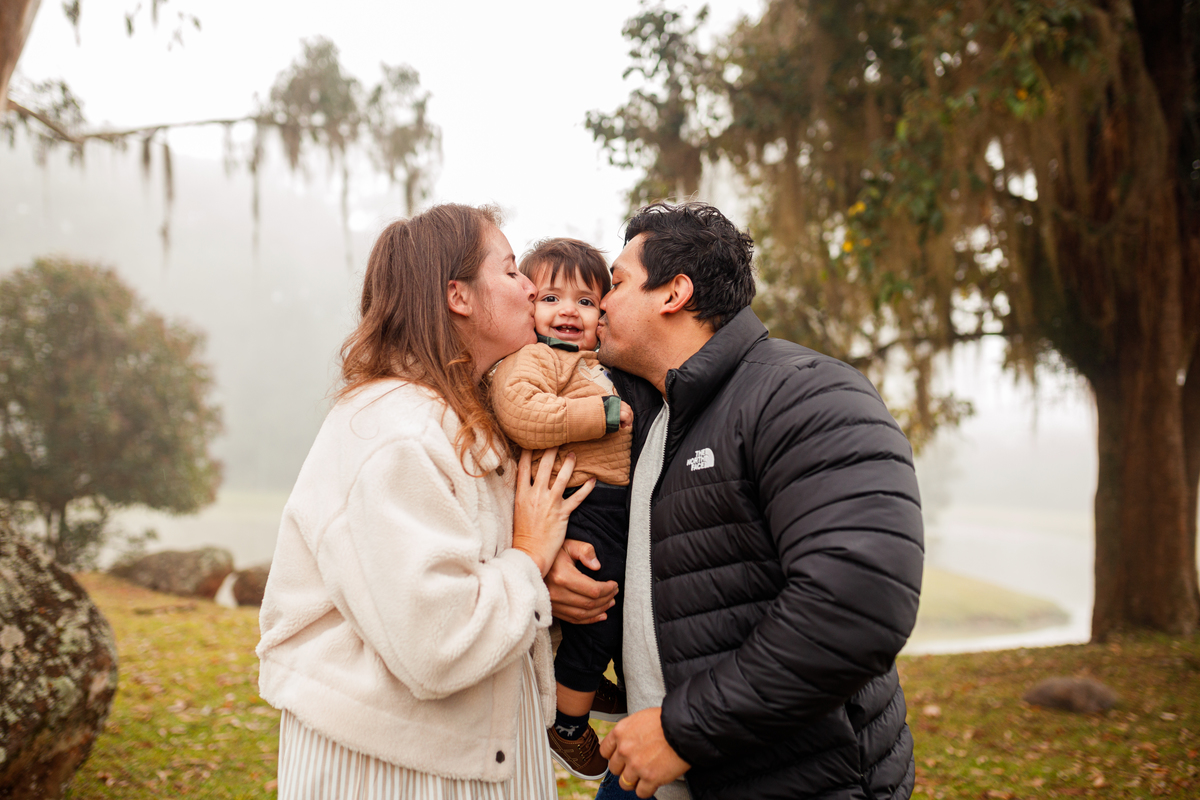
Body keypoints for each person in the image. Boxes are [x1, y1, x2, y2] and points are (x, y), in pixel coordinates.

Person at [547, 202, 924, 800]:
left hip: (790, 780)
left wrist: (684, 730)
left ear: (674, 293)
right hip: (648, 775)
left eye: (615, 283)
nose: (600, 304)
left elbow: (858, 603)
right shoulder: (645, 414)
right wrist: (556, 562)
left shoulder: (806, 393)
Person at [256, 204, 595, 800]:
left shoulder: (459, 418)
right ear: (458, 296)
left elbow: (481, 555)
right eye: (510, 271)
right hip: (392, 775)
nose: (530, 288)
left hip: (452, 761)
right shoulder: (397, 432)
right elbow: (438, 641)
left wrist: (543, 568)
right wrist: (528, 558)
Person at [489, 238, 633, 781]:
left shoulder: (592, 363)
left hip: (609, 500)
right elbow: (522, 412)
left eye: (586, 301)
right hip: (580, 498)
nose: (569, 311)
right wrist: (602, 414)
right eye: (551, 298)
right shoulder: (536, 358)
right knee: (598, 606)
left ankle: (583, 681)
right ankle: (567, 724)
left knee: (615, 604)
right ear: (529, 306)